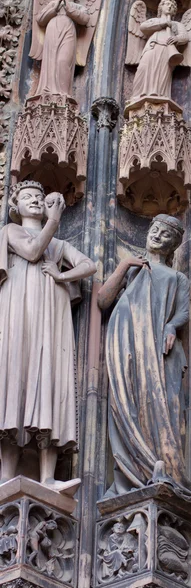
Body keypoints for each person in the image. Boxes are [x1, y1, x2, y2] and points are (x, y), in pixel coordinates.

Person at [98, 214, 191, 503]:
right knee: (126, 403)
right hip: (126, 343)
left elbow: (183, 310)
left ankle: (162, 466)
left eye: (165, 234)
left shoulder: (177, 277)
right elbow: (102, 300)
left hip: (160, 349)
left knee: (165, 404)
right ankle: (131, 471)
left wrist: (171, 325)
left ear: (174, 245)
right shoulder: (133, 270)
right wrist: (123, 266)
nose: (157, 235)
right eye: (154, 230)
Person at [0, 181, 96, 492]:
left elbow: (90, 265)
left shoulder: (59, 245)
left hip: (50, 320)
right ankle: (6, 476)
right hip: (18, 316)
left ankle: (49, 478)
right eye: (27, 197)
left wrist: (61, 275)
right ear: (16, 206)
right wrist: (54, 220)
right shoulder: (12, 232)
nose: (36, 201)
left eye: (40, 198)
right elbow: (31, 252)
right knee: (15, 386)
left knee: (48, 387)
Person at [130, 0, 189, 100]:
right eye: (166, 4)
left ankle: (160, 95)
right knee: (142, 69)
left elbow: (185, 37)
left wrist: (176, 38)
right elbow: (143, 27)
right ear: (160, 7)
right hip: (152, 48)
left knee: (162, 74)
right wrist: (163, 24)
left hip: (166, 50)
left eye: (172, 6)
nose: (169, 6)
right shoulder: (154, 21)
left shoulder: (177, 25)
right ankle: (138, 95)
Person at [30, 0, 90, 96]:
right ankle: (49, 90)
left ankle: (63, 93)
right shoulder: (53, 4)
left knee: (63, 60)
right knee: (51, 60)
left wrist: (70, 10)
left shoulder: (76, 6)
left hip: (68, 32)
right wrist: (54, 9)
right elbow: (40, 19)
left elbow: (85, 19)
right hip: (52, 31)